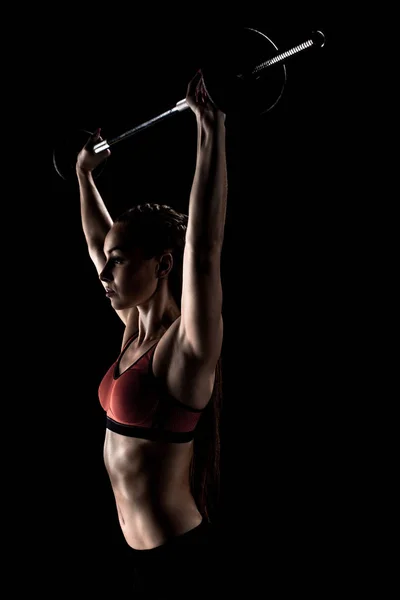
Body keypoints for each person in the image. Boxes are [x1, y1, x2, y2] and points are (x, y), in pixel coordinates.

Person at [75, 70, 227, 597]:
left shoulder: (186, 348)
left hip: (182, 567)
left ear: (164, 265)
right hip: (139, 561)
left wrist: (211, 128)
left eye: (118, 263)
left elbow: (204, 251)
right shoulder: (133, 330)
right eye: (108, 262)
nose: (103, 273)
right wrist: (84, 177)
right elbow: (99, 242)